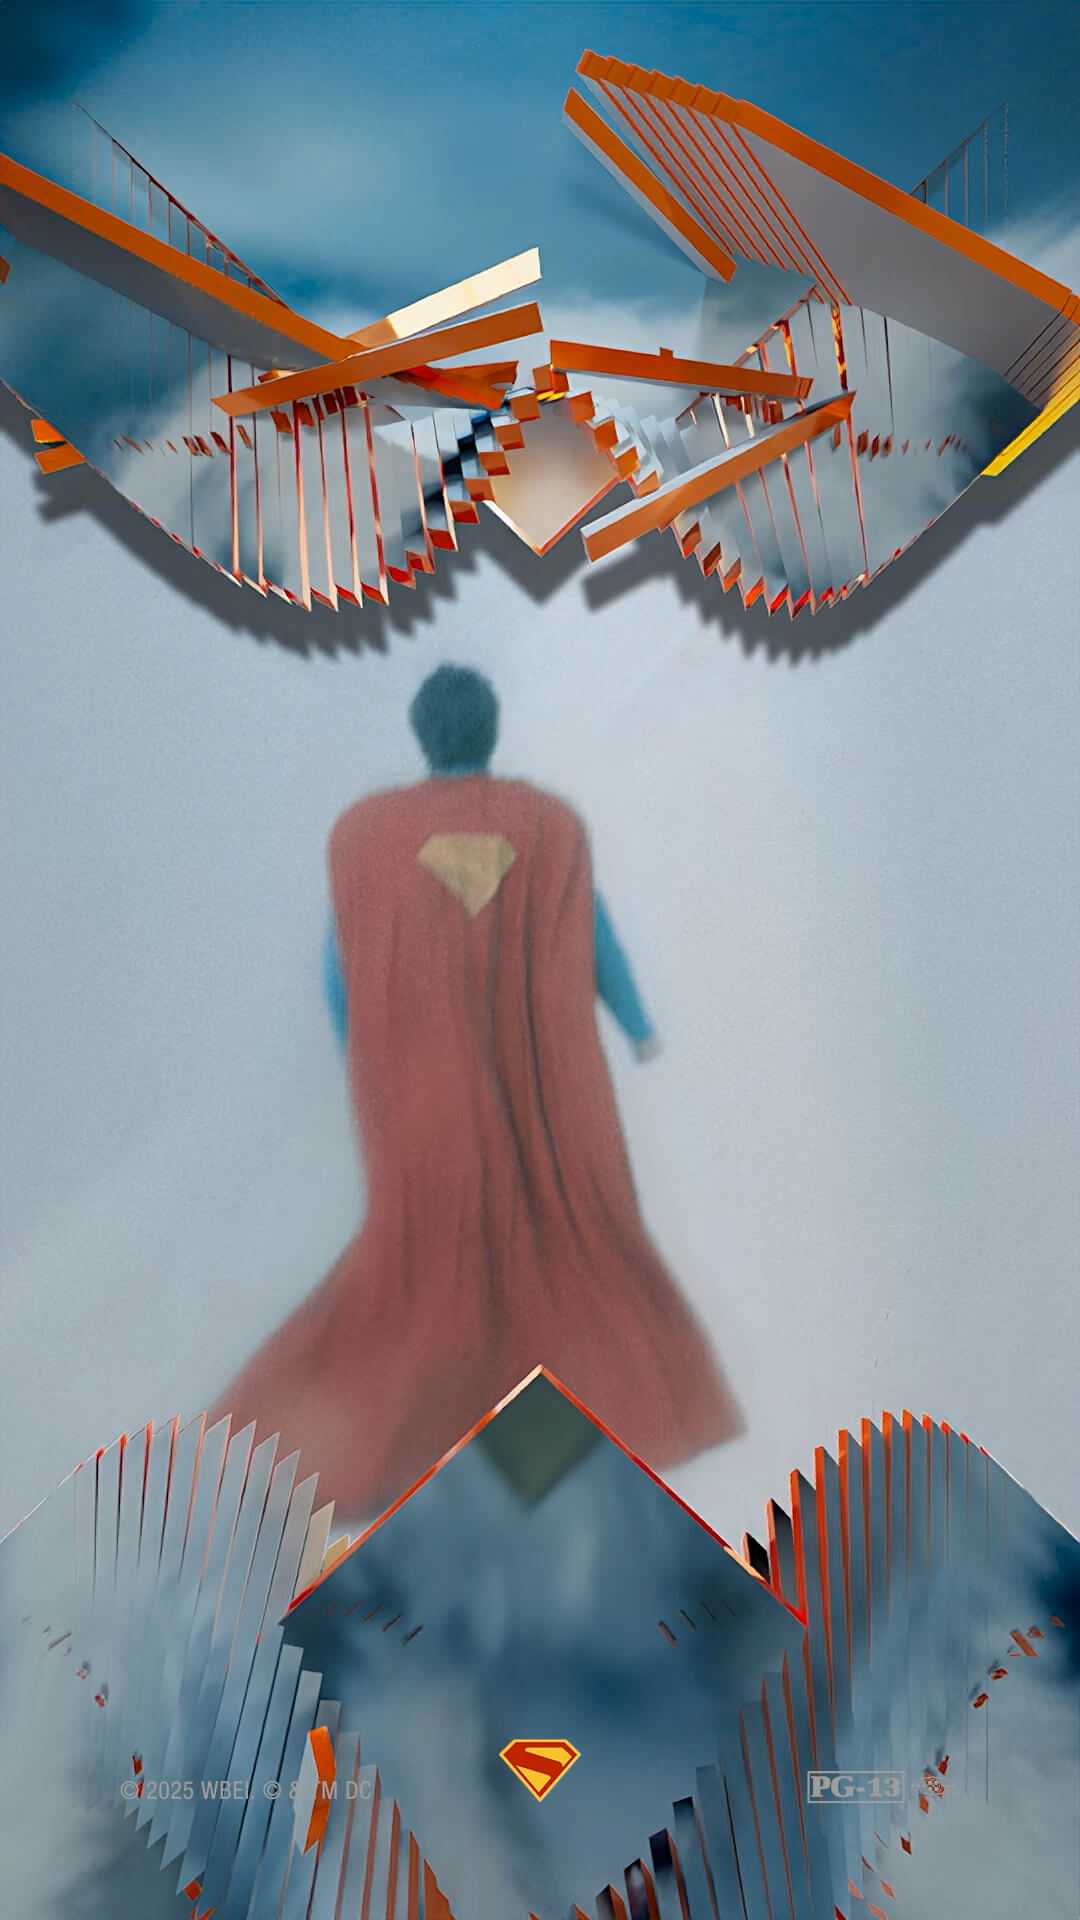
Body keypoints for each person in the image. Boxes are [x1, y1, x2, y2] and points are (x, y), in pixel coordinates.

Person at [210, 665, 741, 1520]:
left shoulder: (367, 837)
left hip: (418, 1093)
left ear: (422, 735)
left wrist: (363, 1055)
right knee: (555, 1241)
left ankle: (373, 1438)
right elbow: (594, 936)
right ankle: (543, 1443)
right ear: (490, 729)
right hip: (533, 1096)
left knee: (423, 1255)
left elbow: (343, 965)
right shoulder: (549, 826)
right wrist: (639, 1026)